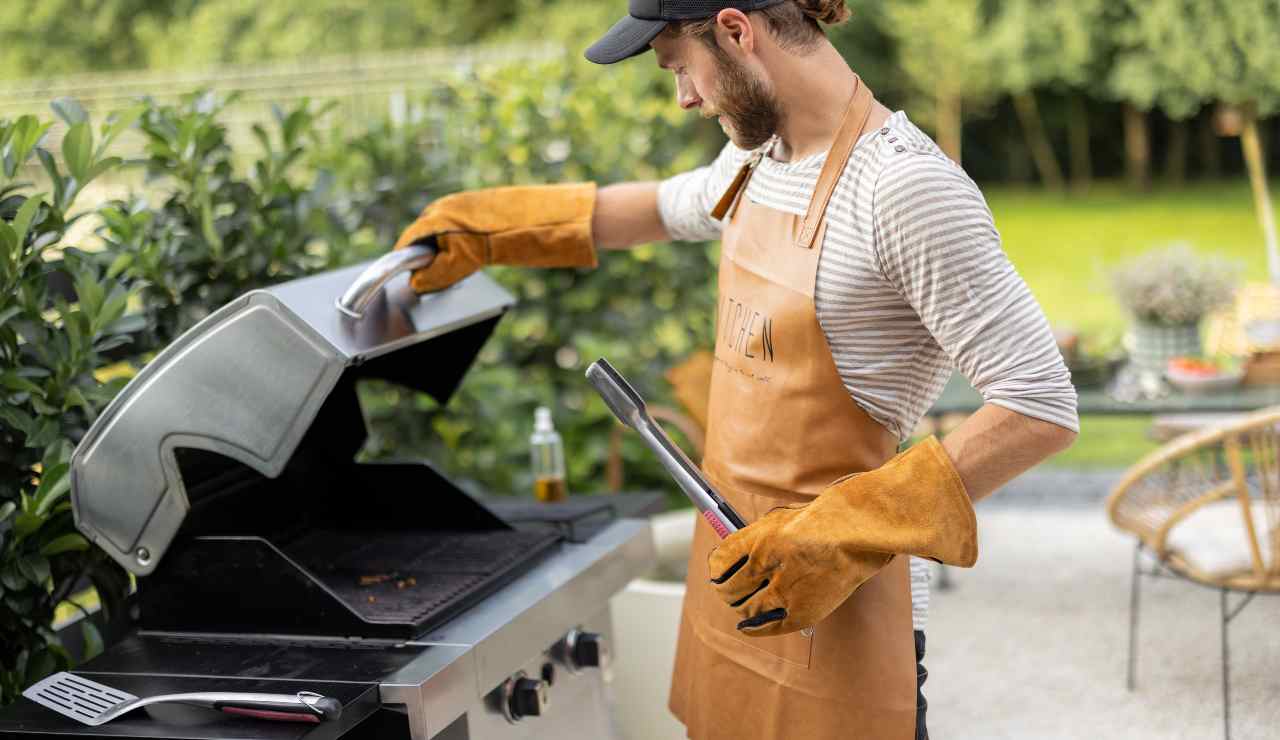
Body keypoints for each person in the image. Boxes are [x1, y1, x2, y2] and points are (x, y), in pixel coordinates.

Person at [393, 1, 1079, 737]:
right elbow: (663, 208)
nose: (684, 97)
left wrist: (842, 531)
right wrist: (493, 228)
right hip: (735, 594)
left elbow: (1038, 402)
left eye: (680, 67)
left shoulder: (905, 190)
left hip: (839, 620)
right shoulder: (760, 158)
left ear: (735, 31)